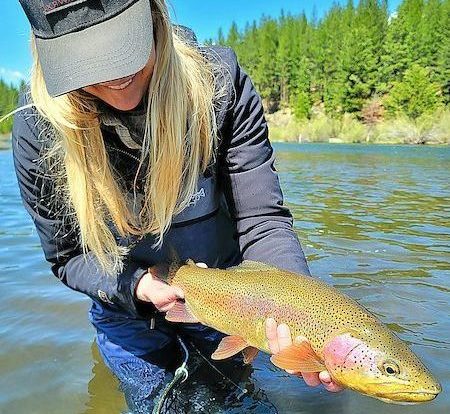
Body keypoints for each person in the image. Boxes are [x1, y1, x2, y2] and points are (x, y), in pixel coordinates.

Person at [13, 0, 343, 411]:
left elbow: (261, 220)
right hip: (126, 312)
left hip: (229, 304)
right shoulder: (38, 127)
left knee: (235, 400)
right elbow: (69, 257)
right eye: (87, 60)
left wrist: (292, 312)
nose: (116, 76)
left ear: (154, 15)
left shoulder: (220, 86)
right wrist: (138, 286)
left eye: (122, 46)